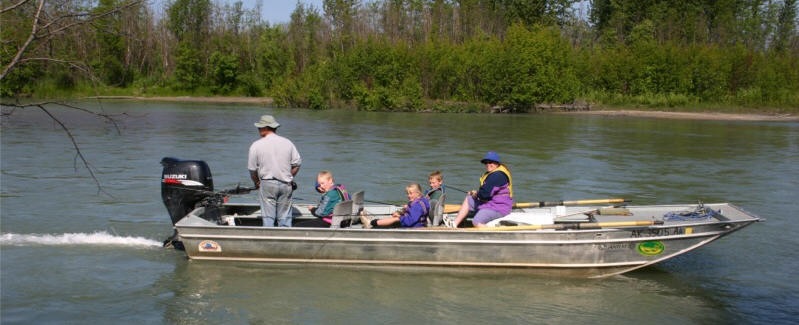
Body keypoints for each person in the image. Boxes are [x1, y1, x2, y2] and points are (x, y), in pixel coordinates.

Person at [248, 115, 302, 227]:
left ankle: (269, 239)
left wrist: (257, 182)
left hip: (267, 184)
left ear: (265, 128)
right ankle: (285, 238)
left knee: (268, 218)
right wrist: (289, 176)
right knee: (285, 218)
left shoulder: (256, 145)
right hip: (286, 184)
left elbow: (252, 170)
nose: (258, 129)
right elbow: (297, 164)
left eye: (259, 127)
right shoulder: (288, 143)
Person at [449, 151, 513, 228]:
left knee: (476, 221)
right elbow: (485, 193)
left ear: (497, 163)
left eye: (491, 162)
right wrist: (475, 193)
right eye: (486, 162)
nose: (488, 164)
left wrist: (476, 194)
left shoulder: (497, 176)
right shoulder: (494, 173)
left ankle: (496, 230)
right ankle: (454, 224)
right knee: (469, 199)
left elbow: (485, 195)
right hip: (491, 203)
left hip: (499, 207)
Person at [360, 183, 430, 228]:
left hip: (415, 226)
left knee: (394, 219)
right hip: (415, 223)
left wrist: (400, 217)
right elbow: (412, 212)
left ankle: (370, 223)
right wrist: (403, 210)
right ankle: (374, 222)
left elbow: (410, 221)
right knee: (394, 217)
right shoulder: (420, 201)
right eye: (407, 193)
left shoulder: (417, 206)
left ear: (417, 193)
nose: (408, 195)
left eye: (411, 193)